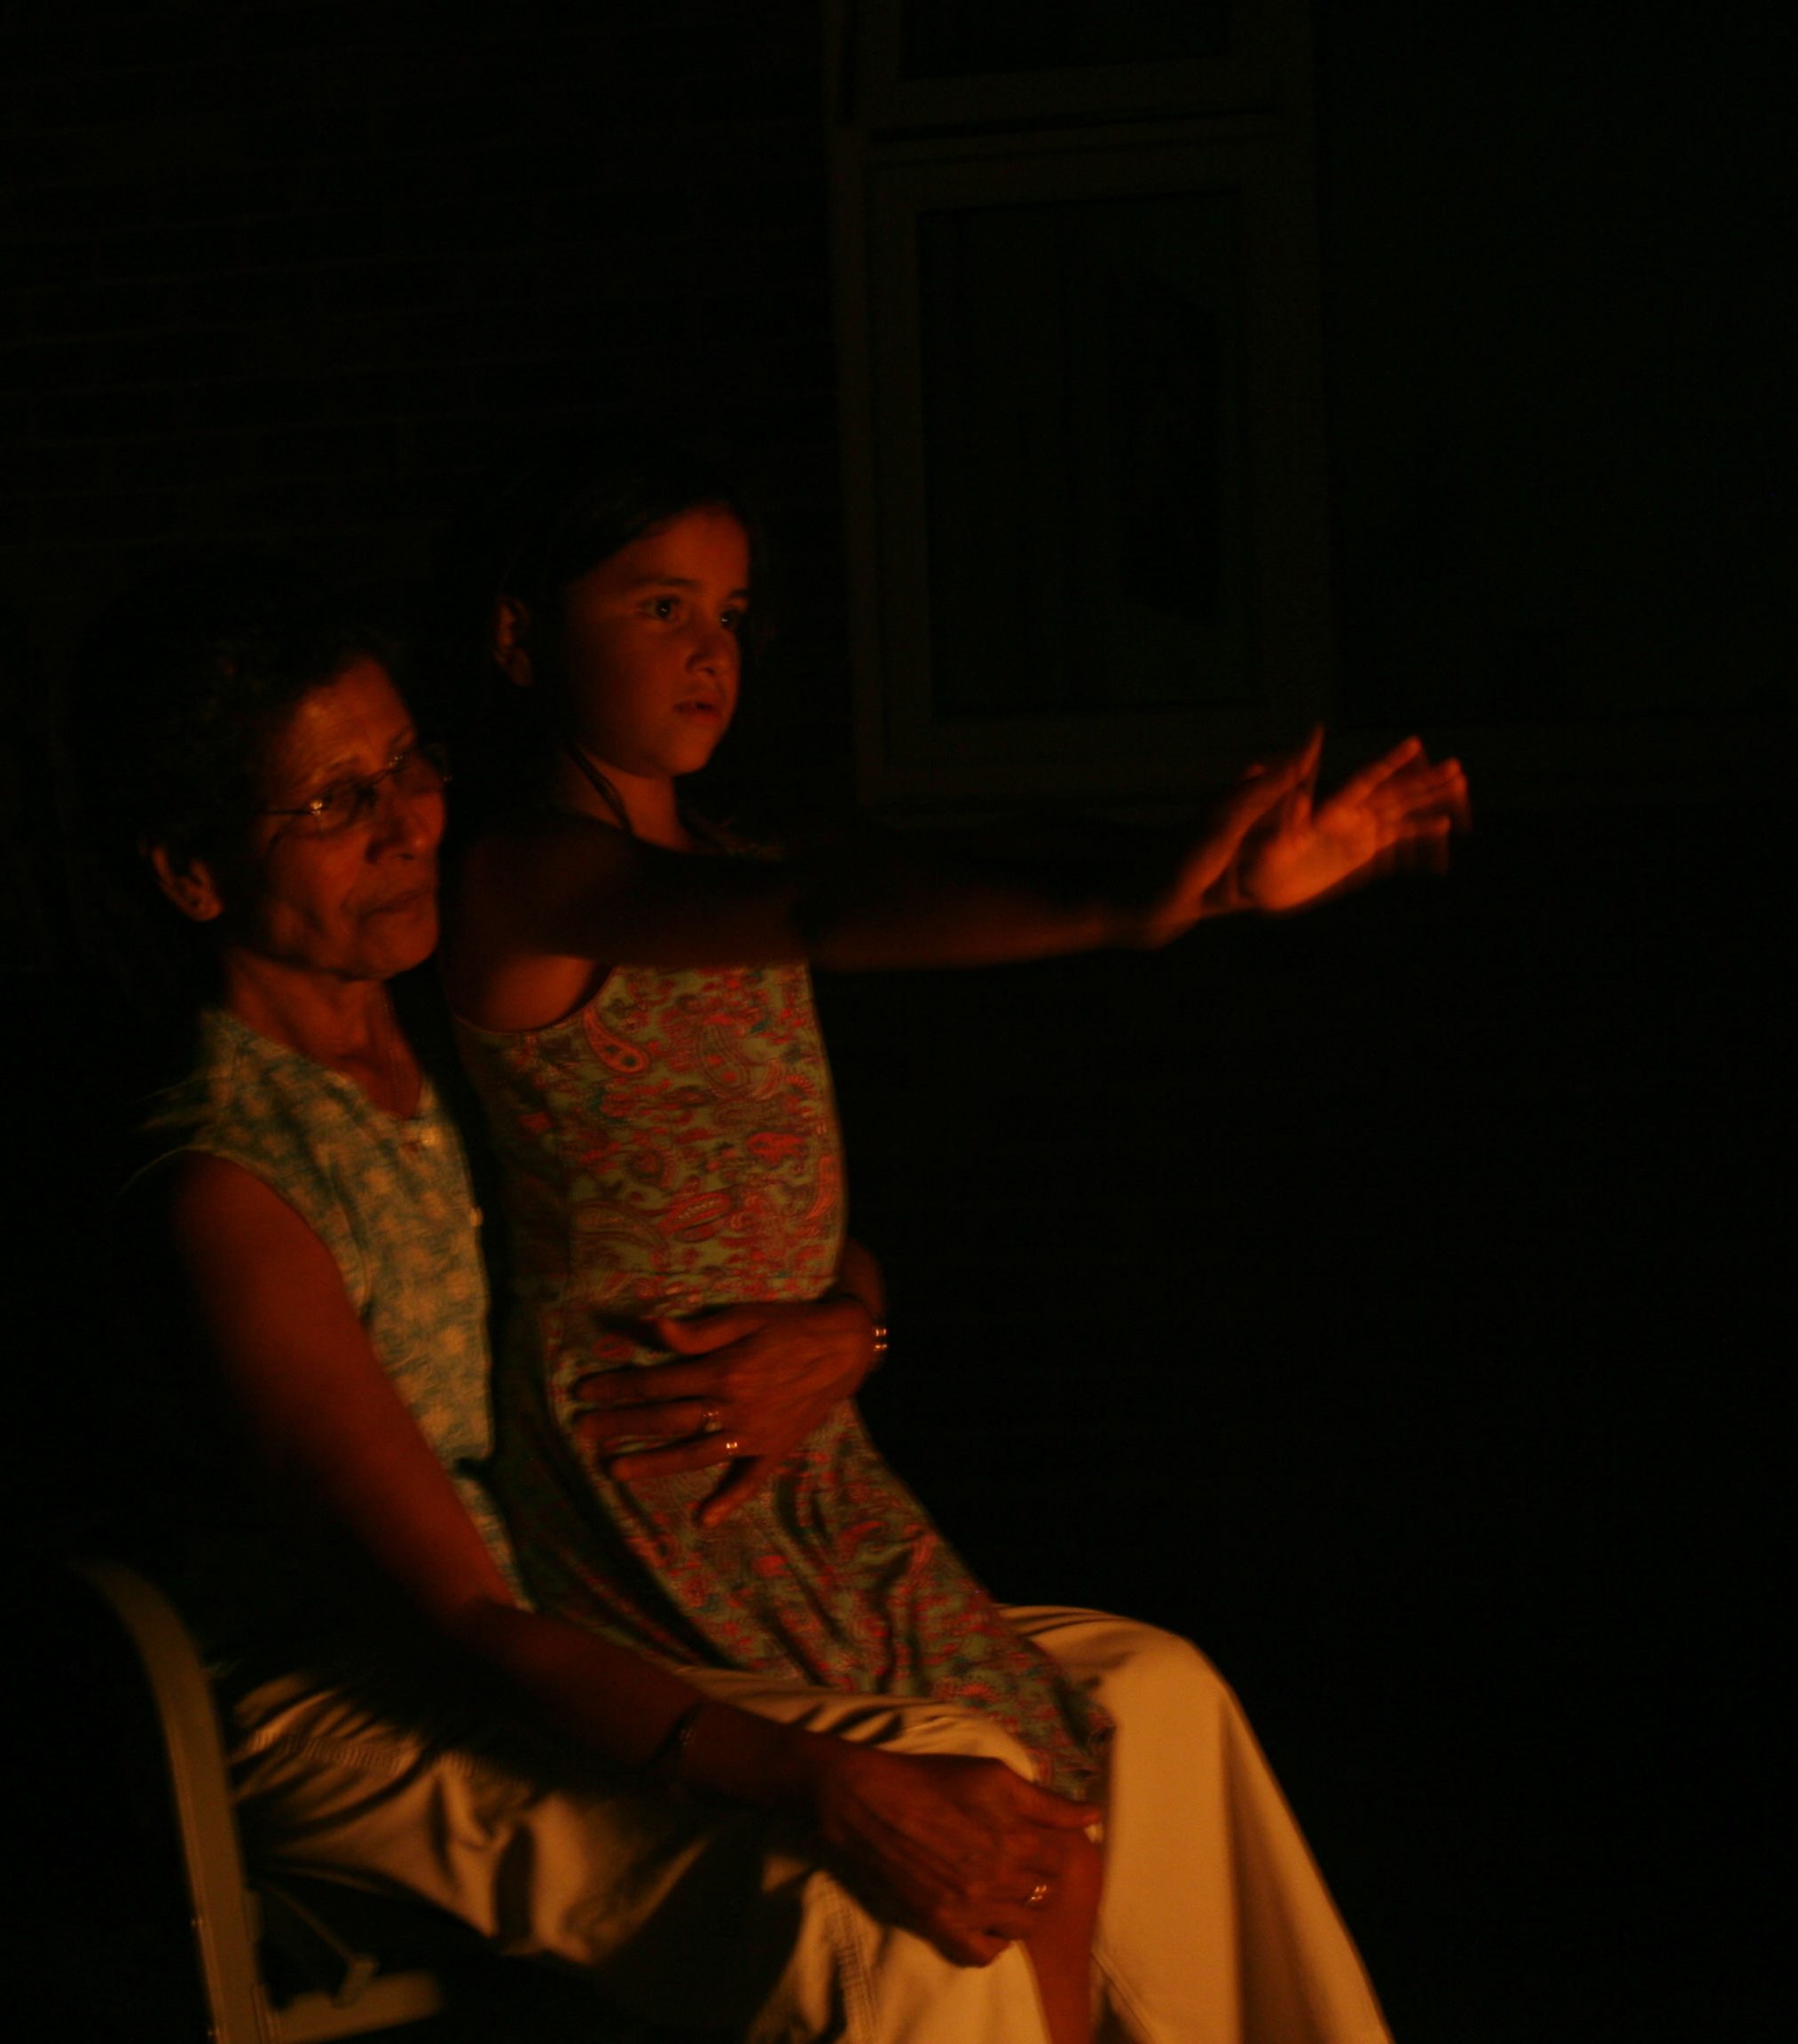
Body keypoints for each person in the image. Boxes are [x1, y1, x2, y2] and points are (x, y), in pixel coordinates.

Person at [84, 559, 1448, 2043]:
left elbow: (726, 1215)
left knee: (1154, 1696)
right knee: (920, 1873)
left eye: (409, 764)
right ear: (194, 874)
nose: (409, 821)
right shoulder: (232, 1183)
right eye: (334, 802)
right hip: (371, 1685)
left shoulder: (446, 1015)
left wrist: (846, 1321)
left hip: (572, 1592)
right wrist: (824, 1779)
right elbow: (461, 1621)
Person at [431, 446, 1470, 2040]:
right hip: (664, 1443)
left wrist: (851, 1317)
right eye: (658, 607)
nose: (710, 650)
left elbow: (820, 1166)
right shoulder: (529, 876)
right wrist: (1144, 904)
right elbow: (828, 910)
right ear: (520, 637)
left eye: (731, 613)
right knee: (1004, 1813)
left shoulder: (728, 860)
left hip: (807, 1435)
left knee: (1066, 1766)